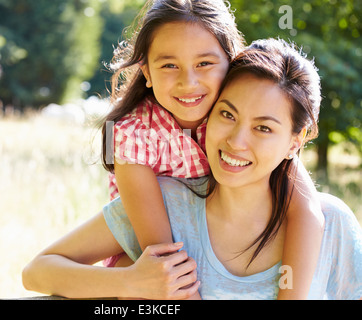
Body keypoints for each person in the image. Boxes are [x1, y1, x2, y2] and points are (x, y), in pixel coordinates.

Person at [22, 38, 362, 300]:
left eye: (263, 128)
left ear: (296, 140)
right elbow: (37, 271)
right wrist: (130, 281)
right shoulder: (167, 205)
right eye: (227, 115)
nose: (236, 141)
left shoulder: (333, 225)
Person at [100, 0, 323, 299]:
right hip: (146, 254)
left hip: (218, 245)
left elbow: (307, 209)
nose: (188, 82)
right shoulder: (133, 134)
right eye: (169, 65)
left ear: (231, 63)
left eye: (204, 63)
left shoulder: (232, 122)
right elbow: (163, 257)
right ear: (147, 71)